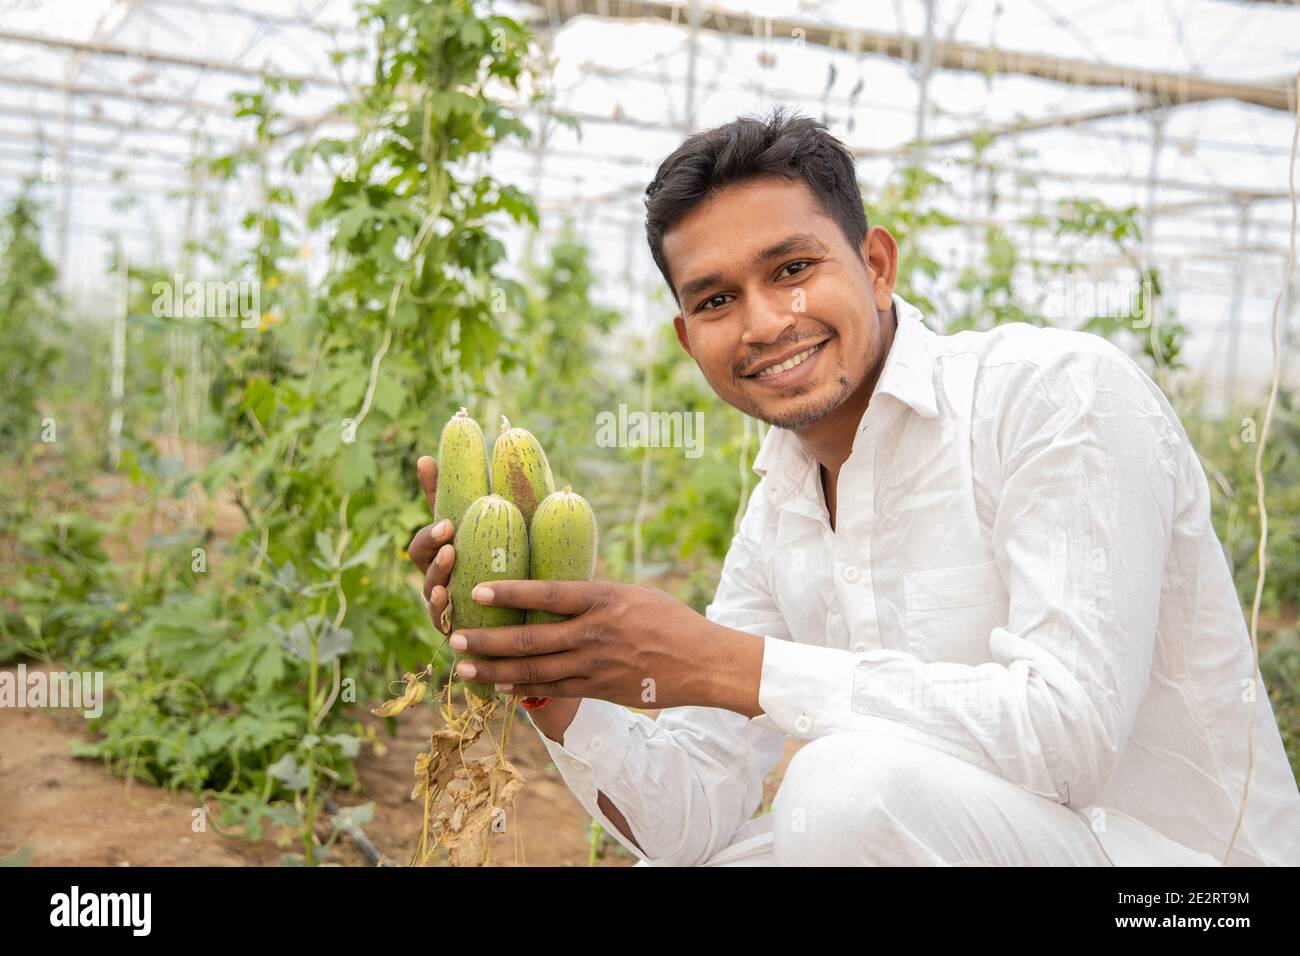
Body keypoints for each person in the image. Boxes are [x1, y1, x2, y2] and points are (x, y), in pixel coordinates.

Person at [406, 106, 1300, 866]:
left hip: (1187, 891)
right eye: (715, 300)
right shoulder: (783, 502)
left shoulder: (1054, 394)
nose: (764, 322)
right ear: (688, 340)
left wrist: (732, 666)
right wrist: (555, 683)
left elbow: (1066, 740)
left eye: (792, 270)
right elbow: (691, 820)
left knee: (842, 794)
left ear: (875, 265)